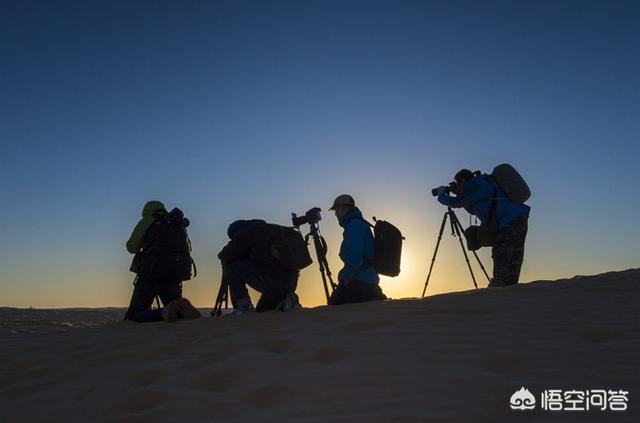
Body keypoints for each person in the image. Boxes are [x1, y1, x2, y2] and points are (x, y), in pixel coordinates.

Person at [436, 169, 530, 287]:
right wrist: (460, 193)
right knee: (514, 258)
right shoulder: (483, 182)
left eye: (459, 184)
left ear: (463, 180)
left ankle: (498, 287)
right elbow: (471, 206)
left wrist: (441, 194)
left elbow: (456, 203)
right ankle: (510, 289)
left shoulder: (474, 185)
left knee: (501, 252)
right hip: (519, 218)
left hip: (508, 222)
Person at [124, 200, 201, 322]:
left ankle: (162, 312)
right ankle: (182, 308)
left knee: (135, 315)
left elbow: (131, 247)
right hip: (174, 274)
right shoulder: (176, 223)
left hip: (150, 273)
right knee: (174, 308)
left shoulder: (148, 220)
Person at [218, 220, 301, 314]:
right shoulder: (271, 230)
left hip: (271, 282)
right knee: (262, 311)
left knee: (231, 263)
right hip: (289, 283)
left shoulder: (248, 232)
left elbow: (226, 254)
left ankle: (244, 307)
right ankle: (288, 300)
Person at [328, 194, 387, 305]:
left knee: (332, 312)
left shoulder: (354, 227)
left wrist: (343, 279)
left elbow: (355, 261)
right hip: (369, 282)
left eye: (336, 210)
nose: (335, 214)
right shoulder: (359, 224)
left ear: (344, 209)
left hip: (360, 284)